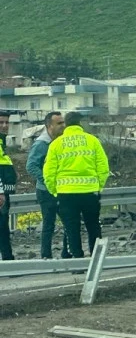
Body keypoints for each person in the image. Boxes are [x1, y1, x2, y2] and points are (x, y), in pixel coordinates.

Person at [43, 111, 110, 259]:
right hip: (90, 192)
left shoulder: (56, 144)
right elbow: (103, 167)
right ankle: (96, 259)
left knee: (71, 229)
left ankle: (77, 260)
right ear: (80, 123)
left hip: (66, 194)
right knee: (93, 226)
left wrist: (54, 191)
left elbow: (48, 172)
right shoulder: (92, 140)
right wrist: (98, 186)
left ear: (66, 124)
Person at [26, 111, 69, 259]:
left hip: (62, 189)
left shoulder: (62, 142)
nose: (63, 125)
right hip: (45, 191)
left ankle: (67, 253)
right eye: (59, 123)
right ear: (49, 126)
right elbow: (31, 166)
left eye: (63, 122)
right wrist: (47, 179)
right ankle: (46, 256)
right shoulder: (41, 144)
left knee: (69, 221)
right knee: (49, 224)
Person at [0, 112, 16, 259]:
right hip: (1, 193)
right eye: (1, 123)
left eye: (6, 122)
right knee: (2, 226)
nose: (5, 126)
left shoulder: (2, 142)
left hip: (5, 191)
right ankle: (7, 258)